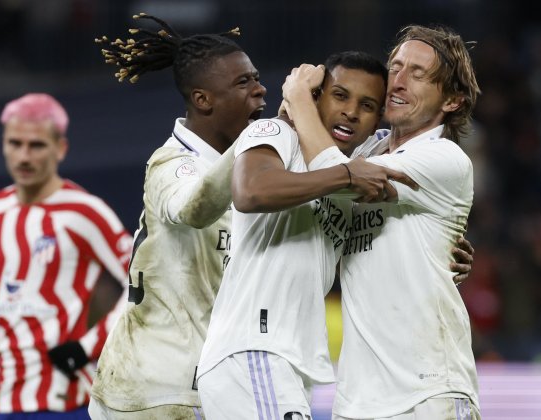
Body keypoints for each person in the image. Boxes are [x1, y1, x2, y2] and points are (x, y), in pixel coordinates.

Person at [196, 51, 474, 419]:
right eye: (339, 95)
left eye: (367, 104)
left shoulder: (408, 158)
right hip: (256, 349)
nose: (351, 111)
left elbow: (361, 193)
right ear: (316, 96)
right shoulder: (281, 134)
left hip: (337, 375)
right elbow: (250, 191)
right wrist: (296, 100)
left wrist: (439, 245)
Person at [282, 24, 482, 419]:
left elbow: (334, 175)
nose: (399, 81)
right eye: (396, 67)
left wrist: (297, 96)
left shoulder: (443, 159)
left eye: (419, 74)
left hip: (427, 393)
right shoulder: (368, 149)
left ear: (453, 101)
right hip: (358, 400)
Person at [87, 15, 268, 419]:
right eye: (243, 83)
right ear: (203, 100)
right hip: (154, 391)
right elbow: (193, 208)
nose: (260, 90)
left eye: (256, 78)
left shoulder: (248, 171)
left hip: (201, 386)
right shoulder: (173, 164)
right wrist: (255, 142)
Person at [0, 93, 133, 418]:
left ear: (61, 148)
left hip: (61, 399)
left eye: (37, 145)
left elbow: (143, 281)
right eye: (15, 143)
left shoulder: (84, 211)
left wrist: (87, 347)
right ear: (3, 144)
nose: (24, 156)